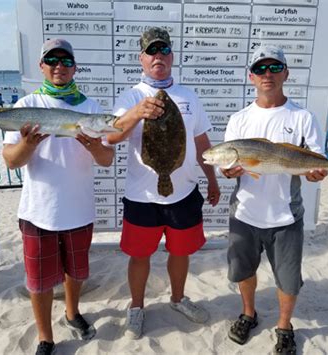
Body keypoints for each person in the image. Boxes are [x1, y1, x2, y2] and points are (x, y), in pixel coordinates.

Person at [2, 38, 114, 355]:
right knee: (38, 281)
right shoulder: (26, 107)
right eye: (52, 61)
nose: (59, 67)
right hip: (39, 211)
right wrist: (29, 144)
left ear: (75, 67)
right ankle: (45, 337)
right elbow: (11, 160)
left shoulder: (90, 108)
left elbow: (106, 160)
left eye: (65, 61)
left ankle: (71, 312)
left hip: (79, 211)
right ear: (42, 67)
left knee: (76, 272)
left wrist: (93, 144)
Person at [107, 27, 220, 339]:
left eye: (163, 50)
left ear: (172, 56)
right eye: (151, 51)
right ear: (141, 58)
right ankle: (136, 306)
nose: (158, 56)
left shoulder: (189, 96)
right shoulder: (130, 97)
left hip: (183, 192)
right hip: (141, 195)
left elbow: (201, 142)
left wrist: (212, 178)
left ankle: (178, 298)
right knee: (139, 254)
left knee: (180, 251)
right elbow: (113, 136)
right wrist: (137, 113)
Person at [220, 46, 328, 354]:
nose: (268, 75)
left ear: (285, 73)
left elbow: (315, 161)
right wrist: (228, 172)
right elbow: (231, 167)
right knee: (243, 270)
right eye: (261, 69)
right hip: (244, 213)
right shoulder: (238, 120)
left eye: (274, 68)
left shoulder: (303, 117)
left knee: (289, 279)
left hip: (286, 216)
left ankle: (284, 326)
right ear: (251, 76)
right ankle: (248, 314)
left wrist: (316, 172)